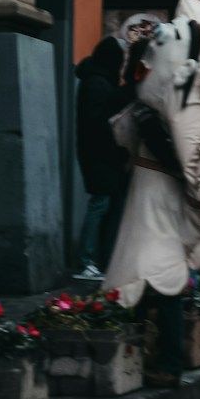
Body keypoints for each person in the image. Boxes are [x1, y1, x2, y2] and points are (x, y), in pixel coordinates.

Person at [106, 0, 200, 389]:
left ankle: (162, 361)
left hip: (155, 189)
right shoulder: (192, 78)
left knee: (156, 272)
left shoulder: (181, 83)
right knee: (153, 270)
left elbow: (179, 148)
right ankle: (151, 356)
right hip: (158, 190)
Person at [73, 36, 130, 280]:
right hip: (100, 154)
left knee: (104, 204)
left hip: (99, 154)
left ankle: (96, 259)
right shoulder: (97, 84)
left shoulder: (96, 80)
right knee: (100, 204)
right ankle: (87, 260)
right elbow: (99, 123)